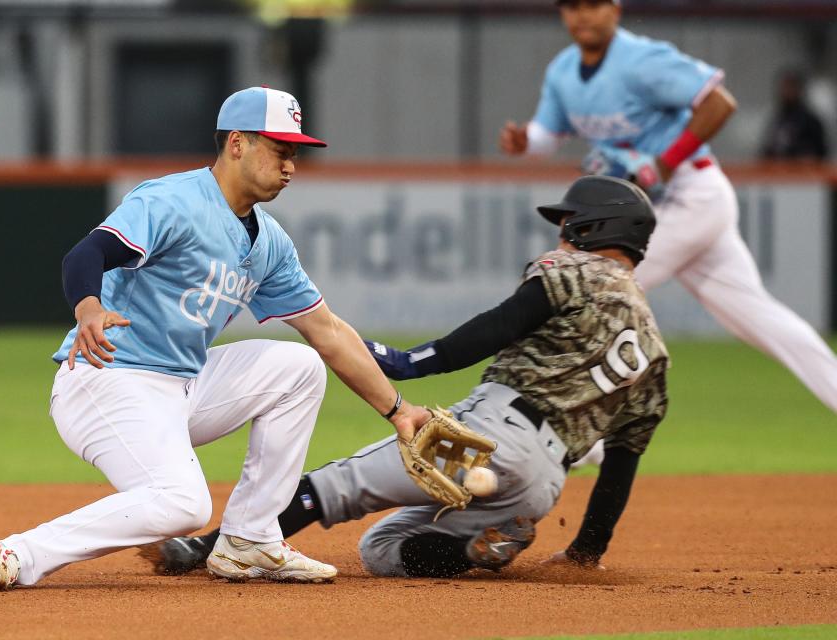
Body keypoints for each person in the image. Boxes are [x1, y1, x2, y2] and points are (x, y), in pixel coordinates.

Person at [0, 86, 430, 590]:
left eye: (295, 154)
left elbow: (328, 332)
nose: (291, 165)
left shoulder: (269, 241)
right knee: (183, 503)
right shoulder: (172, 201)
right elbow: (85, 255)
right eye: (280, 149)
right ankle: (17, 554)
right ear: (237, 144)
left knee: (301, 367)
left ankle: (250, 541)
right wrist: (89, 306)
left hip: (183, 386)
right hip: (107, 378)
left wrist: (399, 412)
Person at [142, 175, 670, 578]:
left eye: (570, 220)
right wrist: (584, 553)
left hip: (488, 441)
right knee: (381, 551)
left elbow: (498, 326)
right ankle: (470, 548)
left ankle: (201, 549)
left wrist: (408, 362)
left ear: (594, 226)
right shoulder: (655, 353)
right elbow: (622, 462)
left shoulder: (576, 270)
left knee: (333, 486)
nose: (563, 231)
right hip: (543, 484)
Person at [498, 0, 837, 445]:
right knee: (760, 317)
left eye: (593, 4)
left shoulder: (642, 59)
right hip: (655, 211)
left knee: (579, 295)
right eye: (572, 5)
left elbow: (719, 103)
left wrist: (664, 163)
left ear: (615, 9)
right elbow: (547, 134)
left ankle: (569, 442)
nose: (583, 14)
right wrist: (525, 140)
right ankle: (585, 442)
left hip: (689, 198)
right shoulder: (564, 70)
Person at [761, 68, 830, 161]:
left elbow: (819, 154)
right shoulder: (778, 120)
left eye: (791, 86)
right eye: (784, 87)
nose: (787, 91)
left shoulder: (810, 122)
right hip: (777, 174)